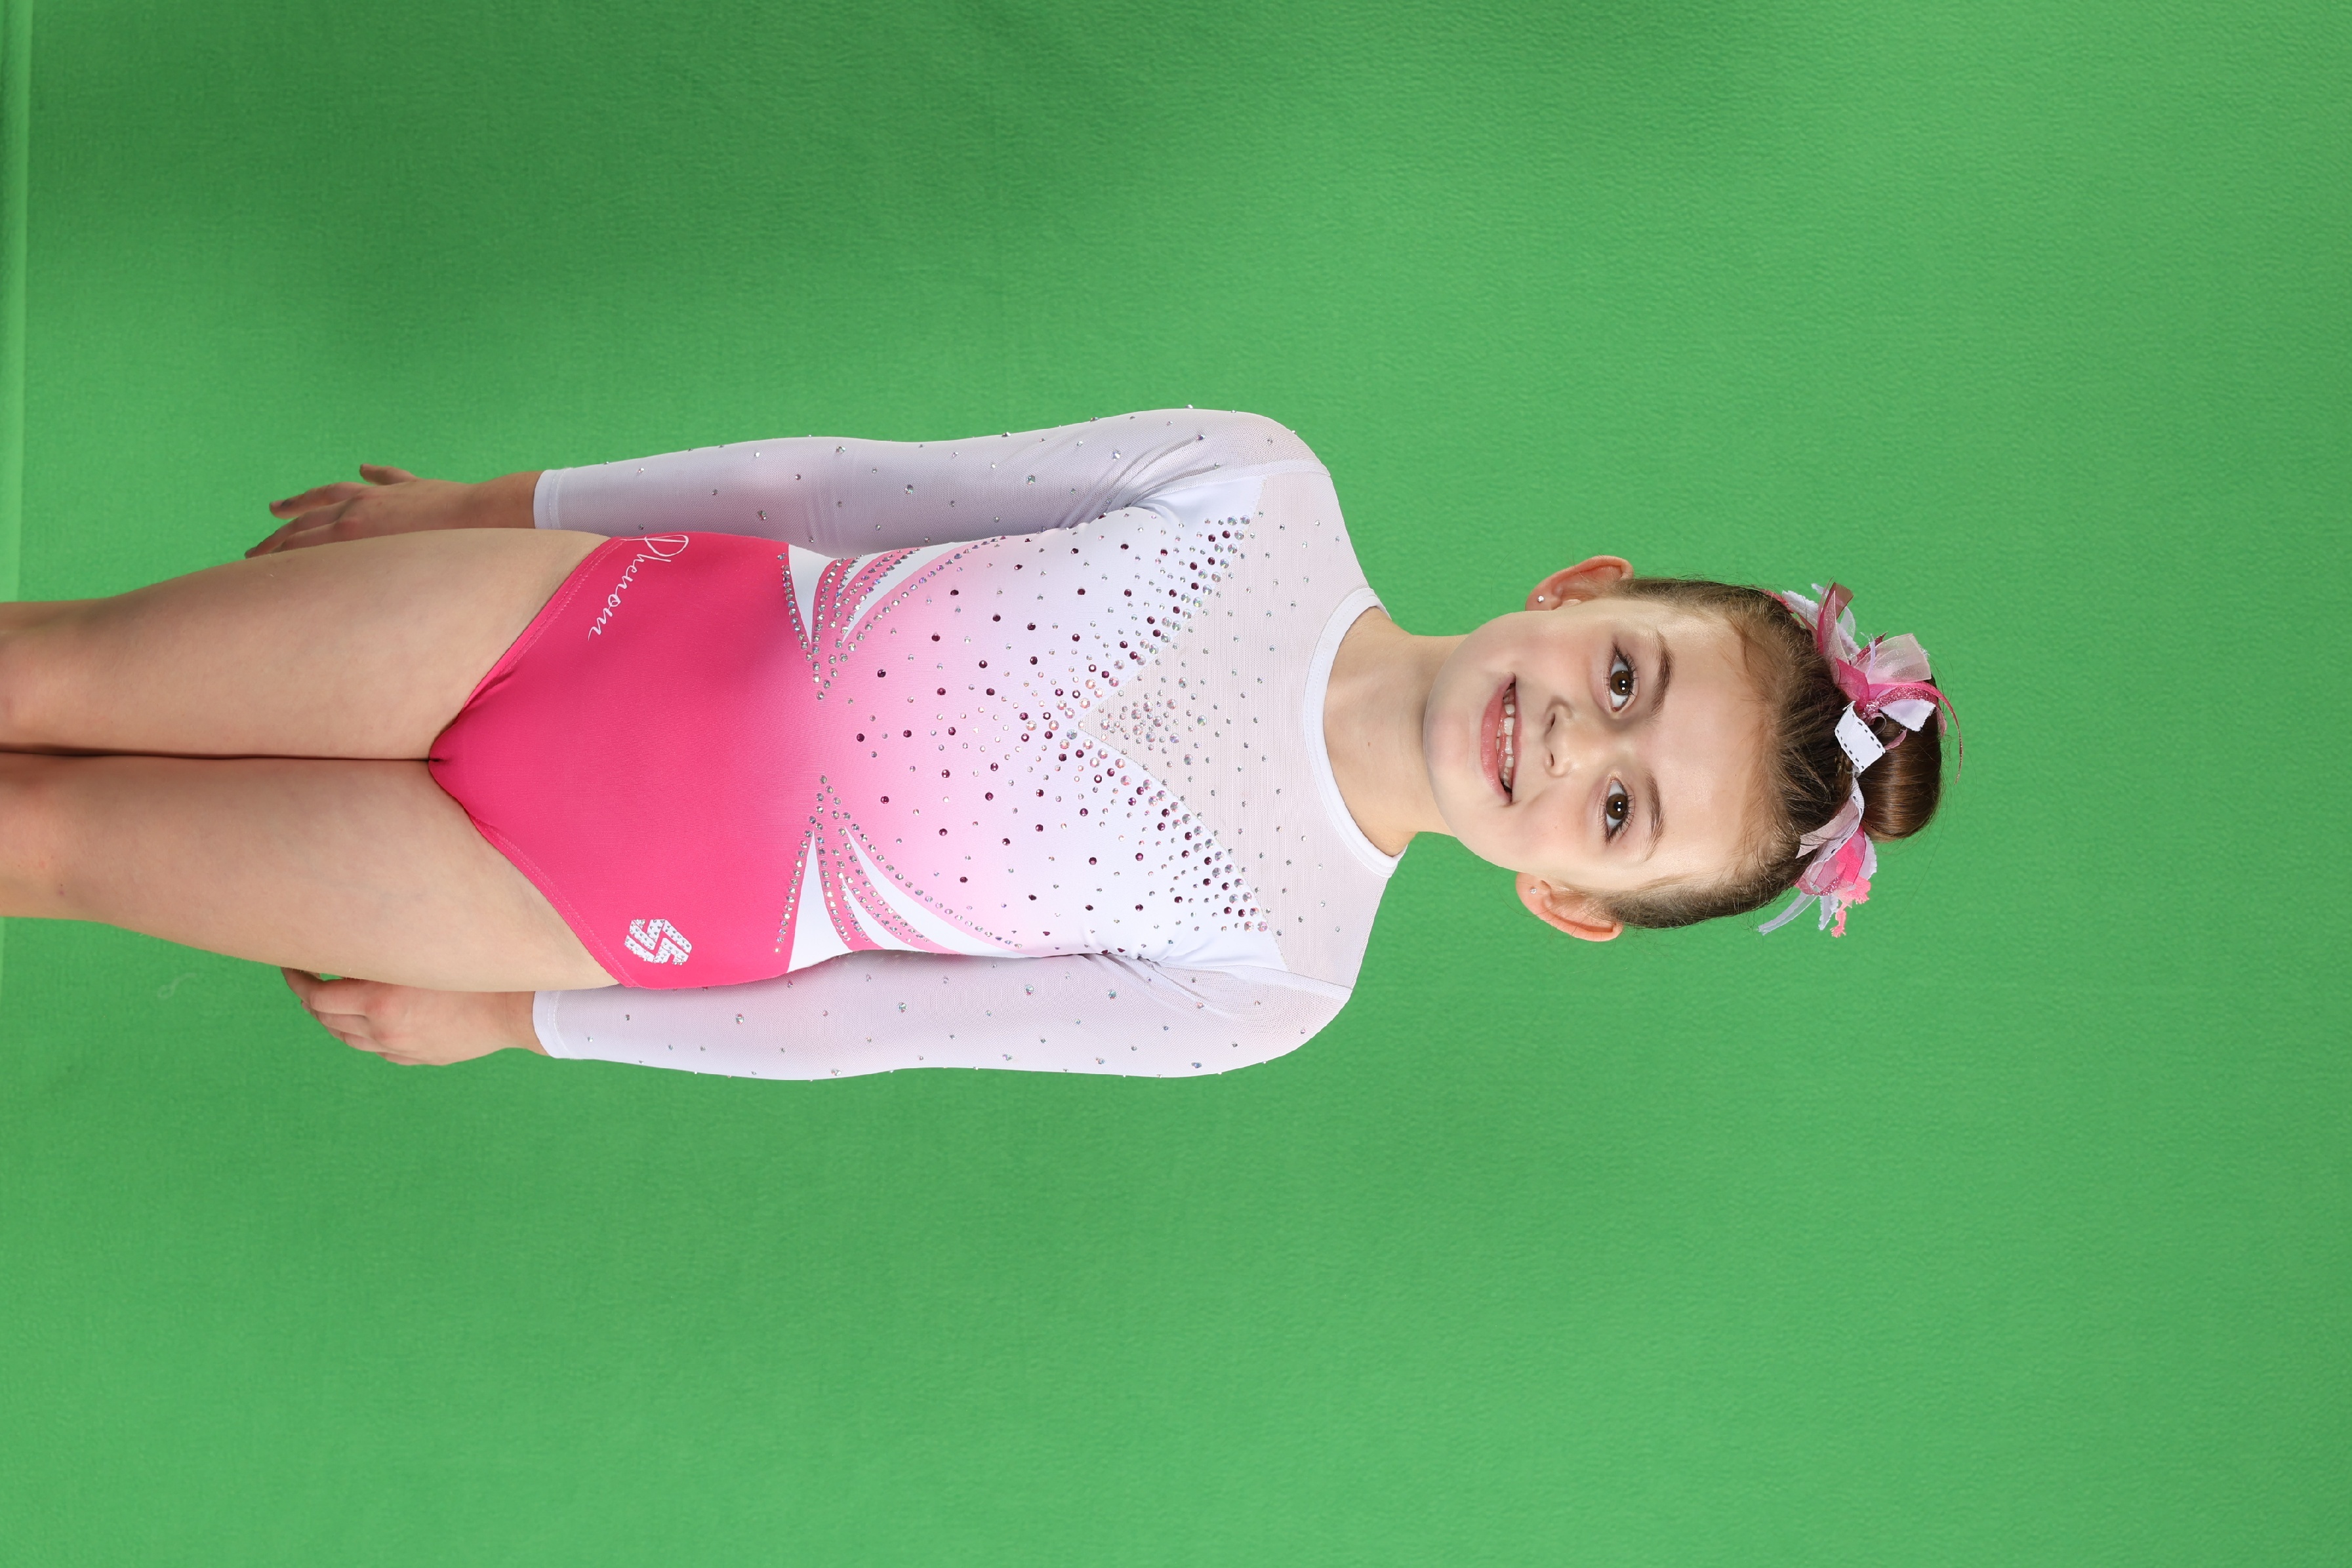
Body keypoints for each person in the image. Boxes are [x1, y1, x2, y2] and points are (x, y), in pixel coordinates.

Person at [2, 410, 1954, 1077]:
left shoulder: (1275, 983)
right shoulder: (1259, 487)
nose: (1567, 742)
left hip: (584, 908)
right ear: (1587, 584)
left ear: (1570, 902)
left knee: (53, 848)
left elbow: (868, 1019)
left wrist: (519, 1018)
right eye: (1627, 677)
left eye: (1617, 812)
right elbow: (839, 486)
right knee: (50, 671)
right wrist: (492, 505)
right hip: (585, 616)